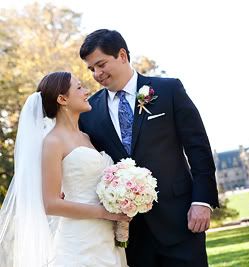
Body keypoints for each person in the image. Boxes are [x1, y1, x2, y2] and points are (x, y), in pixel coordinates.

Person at [79, 29, 219, 266]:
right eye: (91, 69)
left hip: (181, 220)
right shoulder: (89, 112)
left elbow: (198, 148)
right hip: (129, 233)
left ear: (122, 55)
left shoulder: (168, 90)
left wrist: (202, 201)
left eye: (101, 64)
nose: (97, 74)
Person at [0, 72, 129, 267]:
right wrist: (104, 213)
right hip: (77, 243)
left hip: (106, 239)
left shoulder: (87, 137)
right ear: (62, 99)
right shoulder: (53, 141)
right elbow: (51, 204)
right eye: (79, 88)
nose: (86, 91)